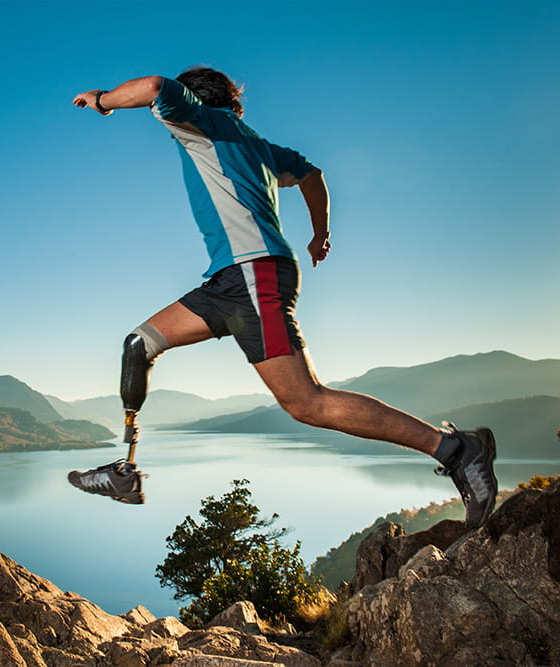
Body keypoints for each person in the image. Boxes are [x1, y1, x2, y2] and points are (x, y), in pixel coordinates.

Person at [66, 68, 498, 529]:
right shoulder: (261, 147)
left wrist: (104, 100)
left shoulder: (202, 122)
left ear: (194, 99)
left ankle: (455, 448)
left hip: (253, 274)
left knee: (305, 402)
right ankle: (124, 471)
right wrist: (320, 234)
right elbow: (312, 175)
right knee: (140, 343)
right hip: (231, 279)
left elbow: (152, 88)